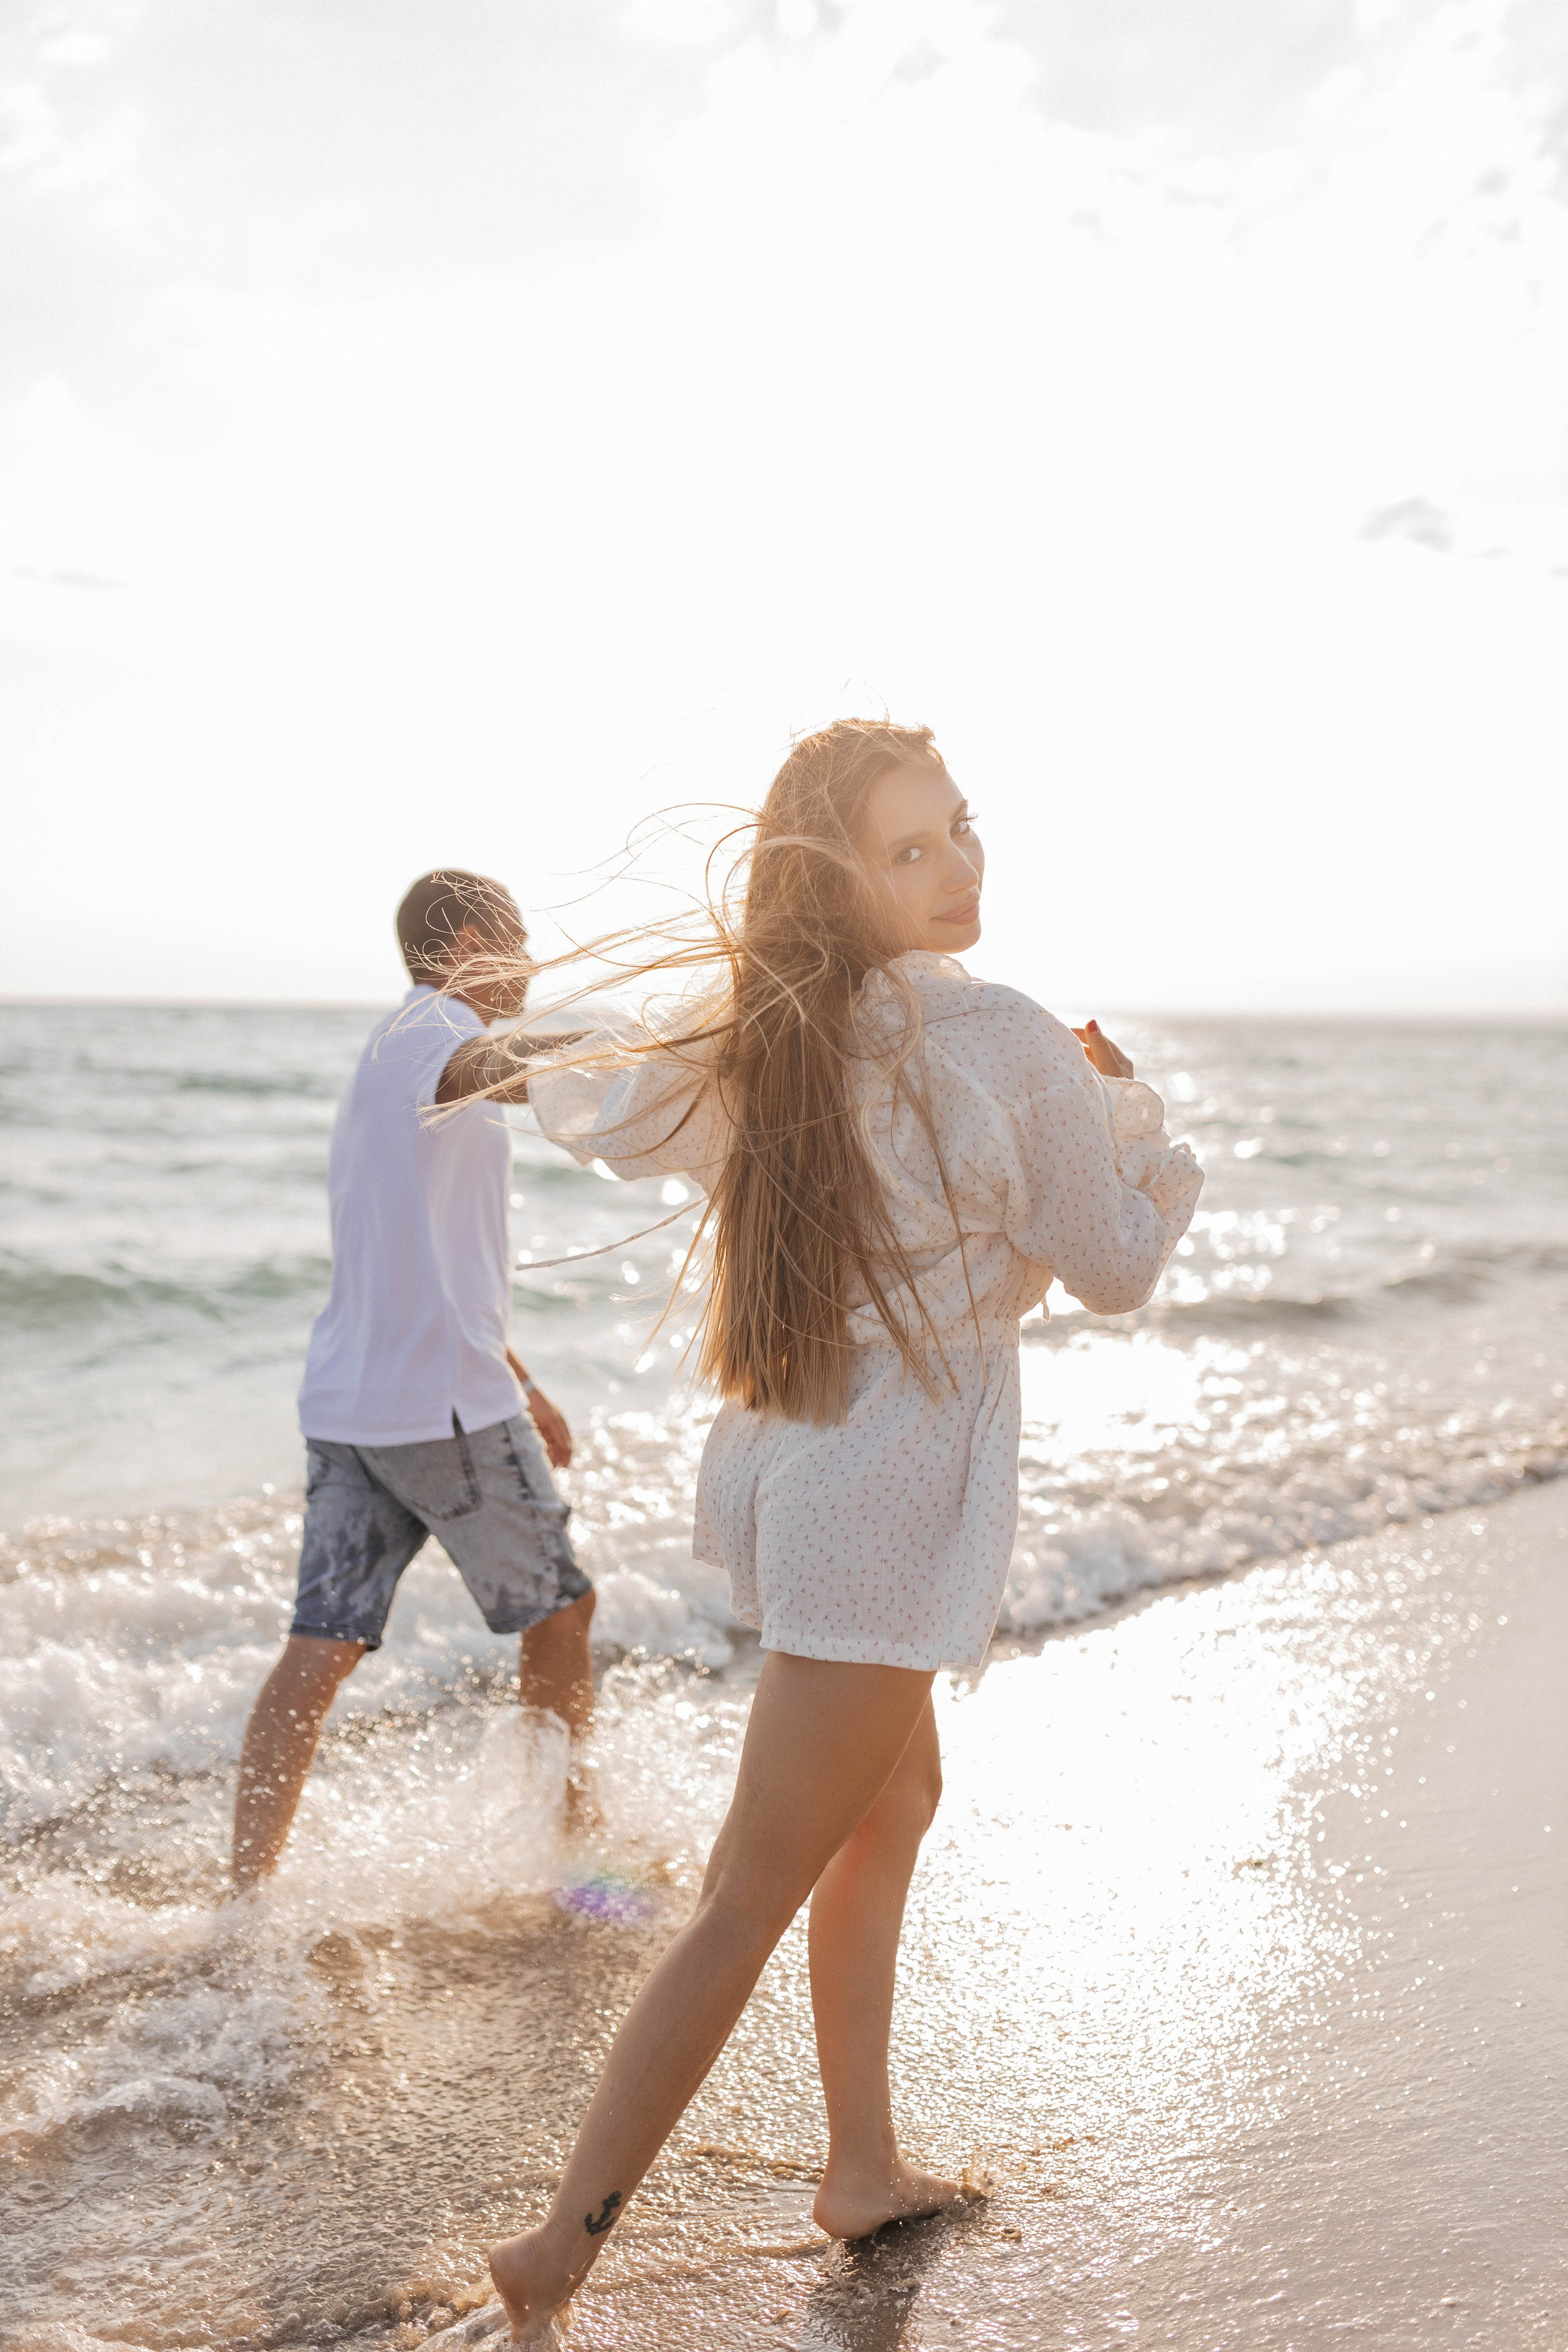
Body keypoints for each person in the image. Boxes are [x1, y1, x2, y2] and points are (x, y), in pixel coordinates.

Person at [442, 722, 1203, 2342]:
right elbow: (1121, 1261)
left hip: (809, 1479)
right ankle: (556, 2252)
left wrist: (503, 1044)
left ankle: (858, 2161)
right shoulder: (1006, 1040)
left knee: (894, 1799)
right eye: (910, 849)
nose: (956, 868)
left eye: (961, 831)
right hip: (884, 1510)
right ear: (837, 879)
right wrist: (1146, 1128)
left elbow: (611, 1109)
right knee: (746, 1891)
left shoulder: (775, 1041)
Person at [230, 872, 594, 1890]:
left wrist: (525, 1380)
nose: (533, 963)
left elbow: (421, 1260)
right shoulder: (433, 1029)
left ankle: (246, 1890)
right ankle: (571, 1851)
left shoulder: (390, 1052)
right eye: (519, 940)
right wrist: (641, 1047)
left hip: (355, 1406)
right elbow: (500, 1065)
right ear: (473, 938)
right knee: (563, 1615)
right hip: (442, 1413)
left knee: (321, 1644)